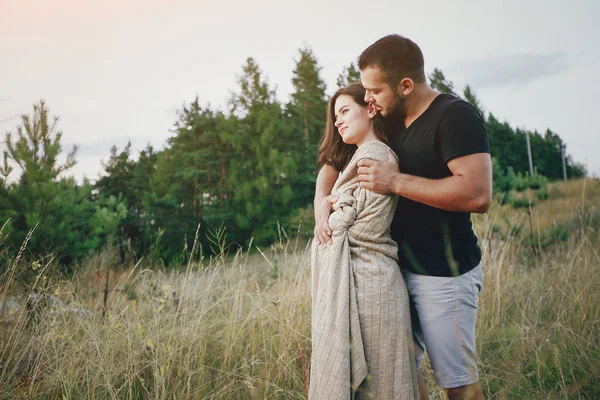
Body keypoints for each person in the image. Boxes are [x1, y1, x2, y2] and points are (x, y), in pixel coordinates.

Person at [314, 35, 492, 400]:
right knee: (398, 376)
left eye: (374, 91)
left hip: (444, 274)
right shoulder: (392, 118)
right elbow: (333, 161)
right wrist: (321, 200)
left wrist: (395, 181)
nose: (368, 100)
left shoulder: (454, 116)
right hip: (393, 272)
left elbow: (477, 194)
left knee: (456, 382)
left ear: (405, 85)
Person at [309, 82, 418, 400]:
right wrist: (323, 200)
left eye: (345, 111)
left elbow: (355, 223)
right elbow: (330, 173)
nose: (338, 121)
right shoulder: (359, 158)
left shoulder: (375, 158)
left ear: (370, 109)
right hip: (362, 280)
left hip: (371, 285)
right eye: (335, 116)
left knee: (380, 386)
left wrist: (329, 208)